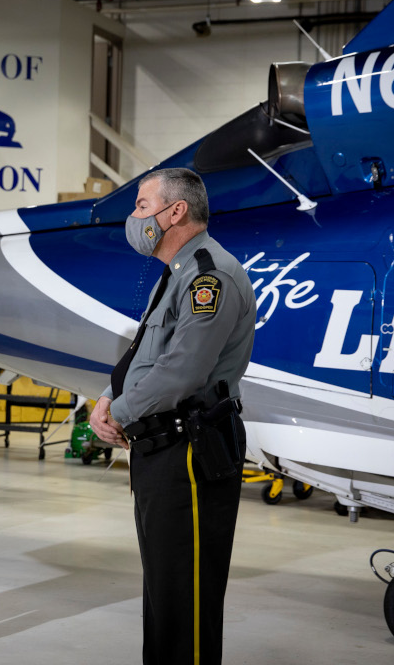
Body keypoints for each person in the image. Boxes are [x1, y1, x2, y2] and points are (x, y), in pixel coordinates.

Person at [89, 167, 257, 665]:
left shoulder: (209, 275)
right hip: (162, 449)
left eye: (142, 205)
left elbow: (182, 371)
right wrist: (106, 398)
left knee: (187, 595)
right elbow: (149, 353)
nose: (135, 217)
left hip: (191, 453)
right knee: (165, 590)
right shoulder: (179, 272)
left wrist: (118, 412)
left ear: (175, 211)